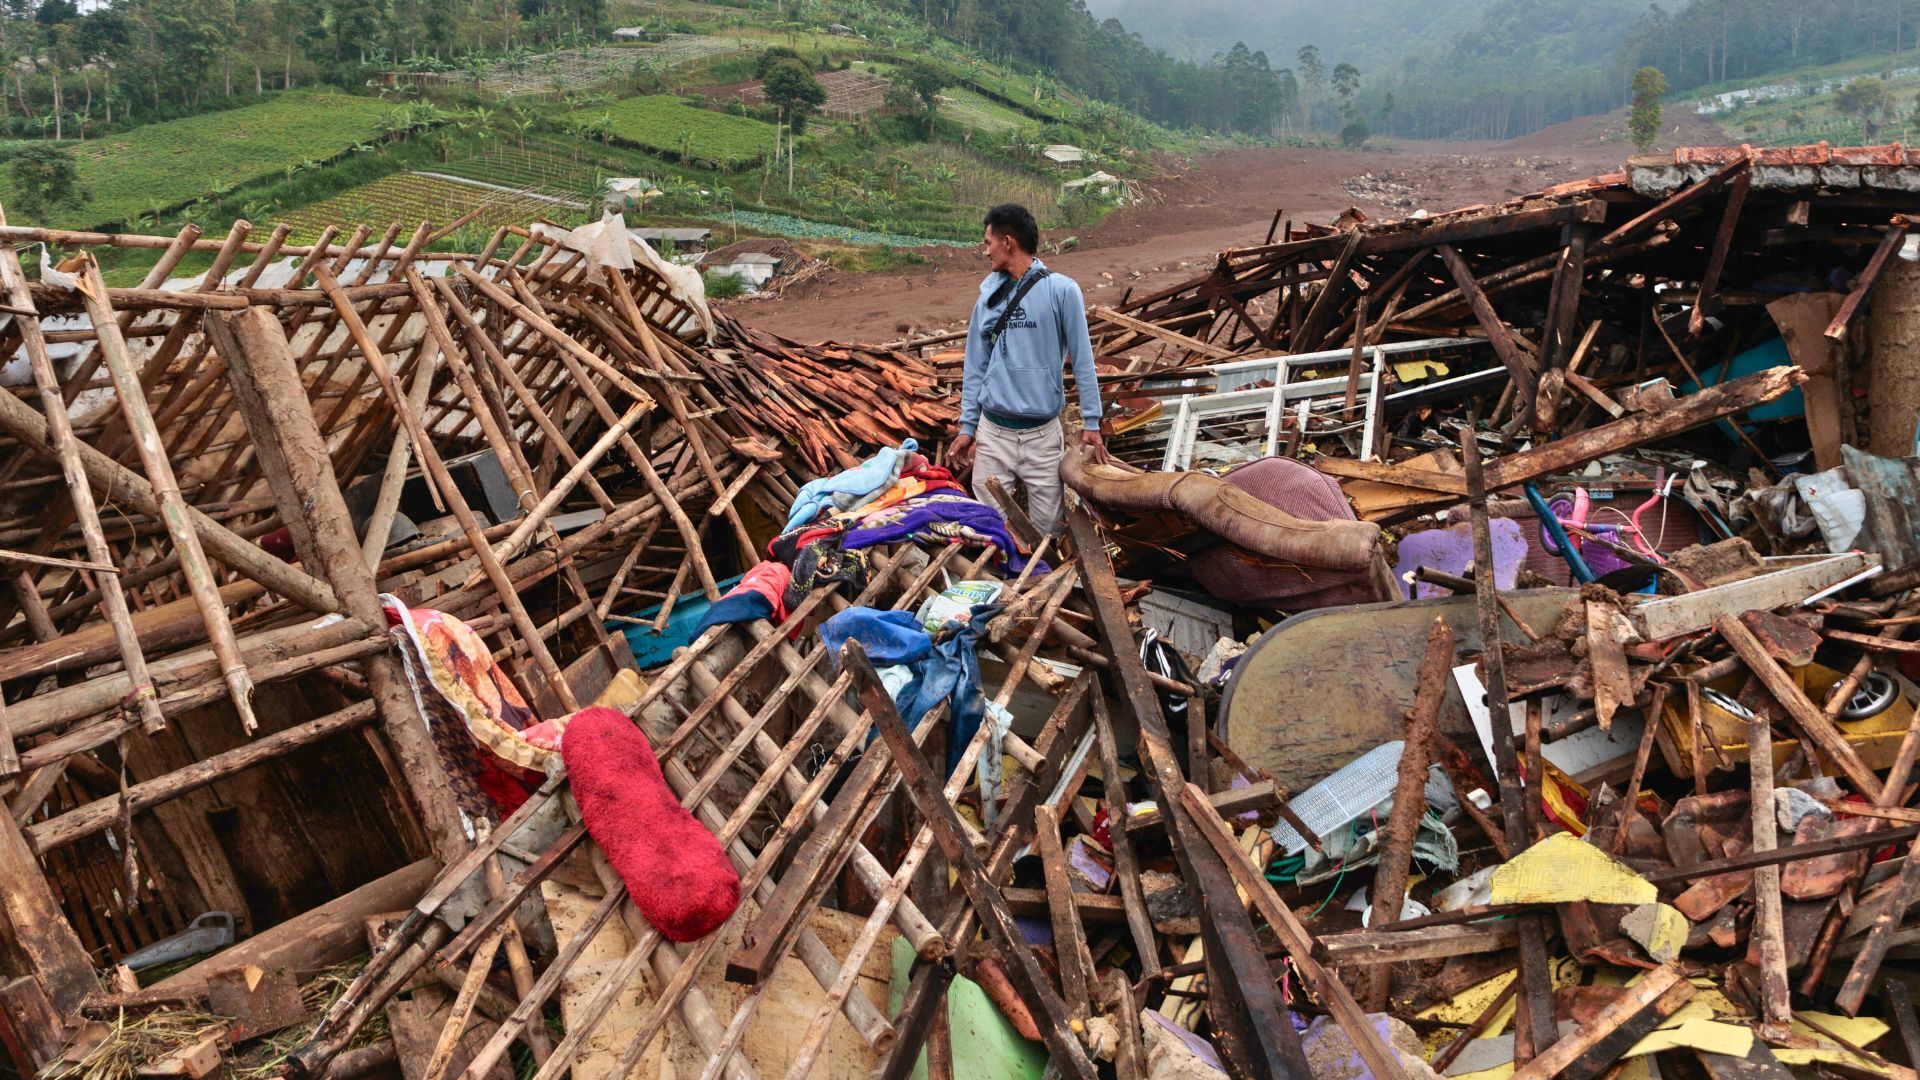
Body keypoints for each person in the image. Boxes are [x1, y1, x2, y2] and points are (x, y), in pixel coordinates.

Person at [948, 203, 1106, 538]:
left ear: (1008, 241)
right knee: (989, 529)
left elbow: (1082, 359)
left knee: (1048, 530)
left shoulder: (1061, 291)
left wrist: (1092, 422)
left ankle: (1044, 588)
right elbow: (975, 364)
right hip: (994, 435)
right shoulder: (988, 298)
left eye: (988, 242)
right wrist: (968, 426)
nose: (985, 250)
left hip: (1042, 437)